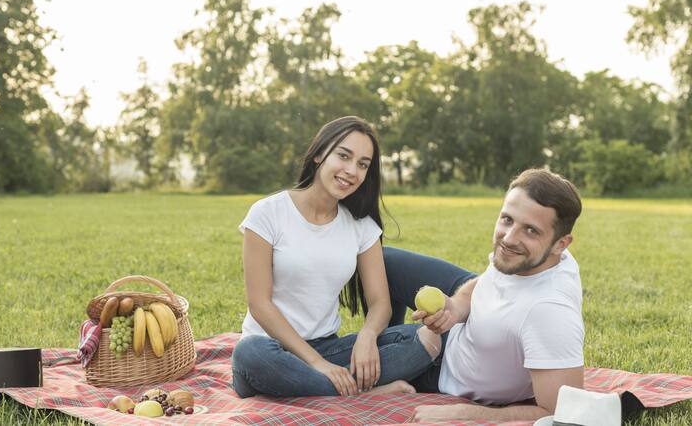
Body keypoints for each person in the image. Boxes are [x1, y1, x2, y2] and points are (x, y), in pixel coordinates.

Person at [231, 116, 439, 398]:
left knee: (424, 338)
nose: (352, 171)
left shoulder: (361, 226)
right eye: (344, 156)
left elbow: (380, 303)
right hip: (272, 350)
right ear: (319, 154)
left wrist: (367, 336)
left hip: (329, 349)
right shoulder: (267, 213)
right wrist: (317, 364)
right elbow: (259, 304)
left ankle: (327, 388)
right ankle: (358, 393)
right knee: (249, 352)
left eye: (363, 164)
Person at [383, 168, 584, 422]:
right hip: (459, 332)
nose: (509, 239)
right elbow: (486, 281)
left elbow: (563, 414)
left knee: (328, 376)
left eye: (530, 230)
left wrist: (465, 413)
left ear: (561, 244)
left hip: (441, 372)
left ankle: (390, 373)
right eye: (507, 220)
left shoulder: (549, 312)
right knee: (384, 260)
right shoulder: (528, 257)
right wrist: (455, 307)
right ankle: (386, 349)